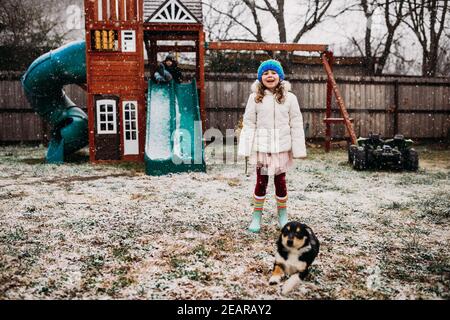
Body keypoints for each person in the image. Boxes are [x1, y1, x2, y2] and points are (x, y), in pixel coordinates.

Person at [238, 59, 307, 233]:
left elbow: (296, 123)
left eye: (273, 72)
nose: (270, 76)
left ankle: (282, 215)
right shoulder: (255, 98)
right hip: (263, 149)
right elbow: (249, 122)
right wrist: (246, 147)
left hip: (281, 149)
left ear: (280, 76)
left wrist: (298, 149)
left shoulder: (290, 98)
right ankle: (256, 216)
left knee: (280, 182)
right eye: (266, 73)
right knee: (261, 182)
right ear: (261, 78)